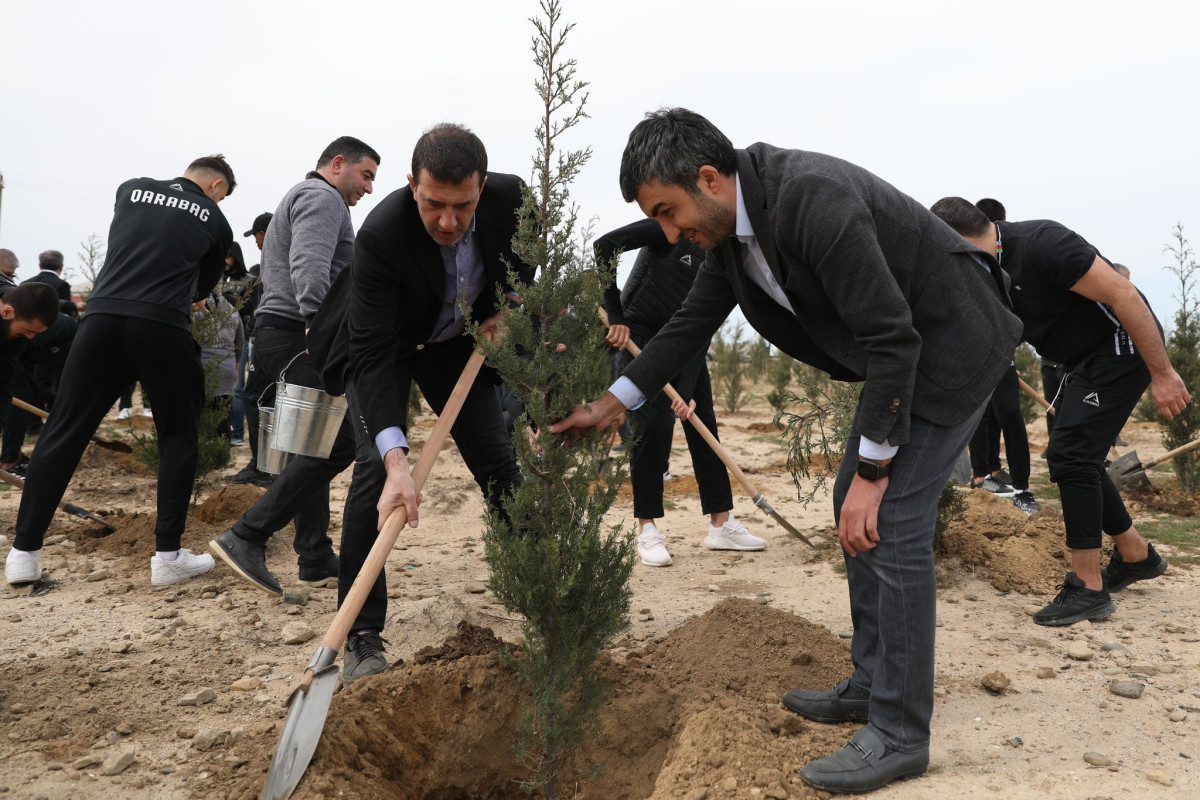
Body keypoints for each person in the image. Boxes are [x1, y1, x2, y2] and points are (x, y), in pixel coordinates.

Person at [549, 109, 1022, 794]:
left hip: (950, 349)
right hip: (904, 359)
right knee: (850, 506)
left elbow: (893, 338)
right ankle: (869, 681)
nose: (669, 233)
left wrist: (874, 470)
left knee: (890, 521)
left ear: (708, 178)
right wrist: (612, 401)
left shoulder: (809, 200)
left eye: (668, 211)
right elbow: (687, 327)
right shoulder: (733, 237)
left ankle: (898, 732)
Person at [307, 122, 532, 686]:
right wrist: (397, 462)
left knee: (497, 460)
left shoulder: (514, 199)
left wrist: (508, 305)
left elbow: (525, 258)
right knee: (372, 476)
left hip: (455, 344)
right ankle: (361, 635)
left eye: (463, 205)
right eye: (434, 204)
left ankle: (544, 586)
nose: (449, 222)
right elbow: (374, 355)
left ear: (482, 186)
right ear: (413, 186)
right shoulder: (383, 234)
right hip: (385, 342)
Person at [930, 198, 1190, 627]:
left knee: (1070, 454)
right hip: (1079, 362)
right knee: (1077, 456)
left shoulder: (1042, 243)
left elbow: (1124, 294)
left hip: (1120, 347)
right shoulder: (984, 271)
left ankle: (1088, 588)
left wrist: (1163, 374)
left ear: (969, 236)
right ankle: (1136, 554)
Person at [5, 155, 236, 587]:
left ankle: (23, 552)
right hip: (163, 325)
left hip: (102, 320)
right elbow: (202, 289)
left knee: (63, 430)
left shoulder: (130, 188)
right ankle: (167, 556)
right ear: (216, 185)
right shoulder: (215, 216)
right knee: (177, 435)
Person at [210, 137, 379, 592]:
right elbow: (309, 264)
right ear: (338, 163)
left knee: (314, 444)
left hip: (285, 332)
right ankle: (246, 534)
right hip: (299, 334)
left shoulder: (310, 197)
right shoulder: (322, 198)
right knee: (337, 446)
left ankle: (313, 554)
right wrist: (321, 329)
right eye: (365, 176)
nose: (368, 189)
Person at [594, 219, 764, 566]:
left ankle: (721, 524)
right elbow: (604, 246)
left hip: (689, 339)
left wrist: (685, 391)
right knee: (652, 426)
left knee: (703, 423)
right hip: (641, 335)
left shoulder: (731, 248)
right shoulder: (673, 223)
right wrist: (616, 313)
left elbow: (708, 316)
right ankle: (647, 529)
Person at [220, 241, 257, 445]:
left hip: (238, 339)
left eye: (228, 256)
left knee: (236, 388)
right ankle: (221, 434)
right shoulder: (218, 280)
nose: (225, 261)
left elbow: (250, 309)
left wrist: (229, 302)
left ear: (236, 257)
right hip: (216, 340)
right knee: (219, 388)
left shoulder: (250, 280)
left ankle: (237, 434)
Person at [24, 250, 82, 317]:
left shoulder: (25, 283)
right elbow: (65, 313)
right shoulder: (62, 285)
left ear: (40, 265)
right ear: (61, 266)